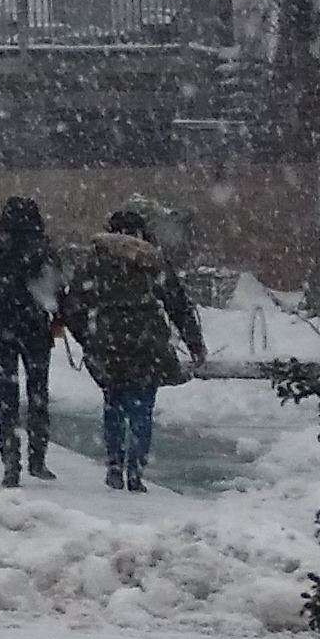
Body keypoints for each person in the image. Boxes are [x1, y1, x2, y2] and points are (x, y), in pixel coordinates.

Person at [59, 205, 207, 492]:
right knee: (142, 408)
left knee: (113, 404)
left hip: (109, 343)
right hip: (147, 342)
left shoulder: (96, 261)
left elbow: (74, 305)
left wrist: (88, 339)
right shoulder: (152, 260)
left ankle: (114, 462)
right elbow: (177, 302)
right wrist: (195, 343)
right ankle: (136, 469)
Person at [0, 194, 69, 487]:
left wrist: (2, 275)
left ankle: (10, 461)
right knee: (38, 391)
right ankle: (38, 459)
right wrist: (60, 319)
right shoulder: (45, 251)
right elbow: (57, 288)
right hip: (34, 327)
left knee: (7, 395)